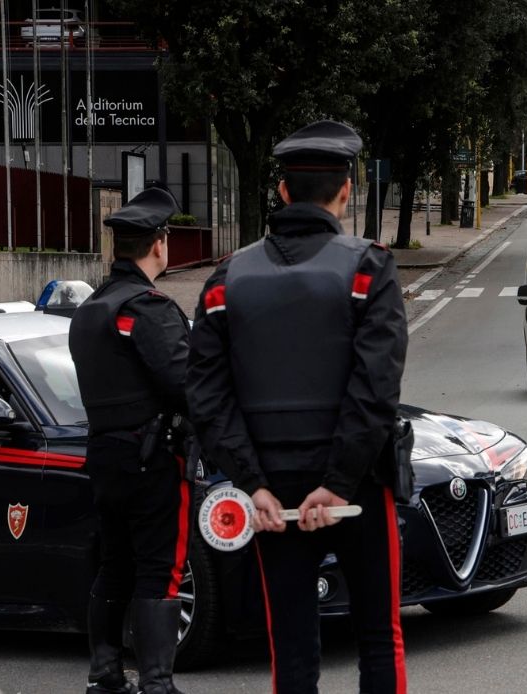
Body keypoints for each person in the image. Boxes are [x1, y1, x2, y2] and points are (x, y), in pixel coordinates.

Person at [186, 120, 408, 694]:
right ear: (347, 190)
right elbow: (375, 389)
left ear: (281, 192)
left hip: (271, 496)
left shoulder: (224, 280)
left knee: (290, 645)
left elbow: (208, 398)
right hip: (357, 490)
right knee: (379, 638)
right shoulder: (369, 269)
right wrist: (337, 483)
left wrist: (253, 483)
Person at [69, 187, 192, 694]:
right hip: (152, 459)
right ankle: (157, 683)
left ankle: (105, 675)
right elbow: (185, 385)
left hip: (105, 457)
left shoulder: (89, 310)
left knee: (115, 564)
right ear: (160, 244)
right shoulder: (151, 307)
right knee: (160, 569)